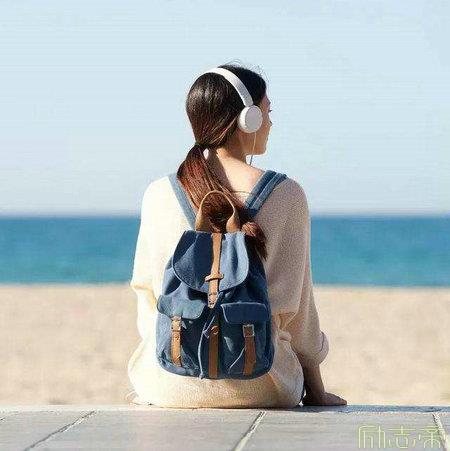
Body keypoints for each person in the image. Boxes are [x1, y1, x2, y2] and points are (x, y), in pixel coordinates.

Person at [126, 62, 347, 408]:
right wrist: (316, 391)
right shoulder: (287, 195)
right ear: (249, 118)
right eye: (268, 111)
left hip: (170, 383)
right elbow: (300, 312)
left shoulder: (158, 194)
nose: (270, 122)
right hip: (265, 384)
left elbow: (147, 295)